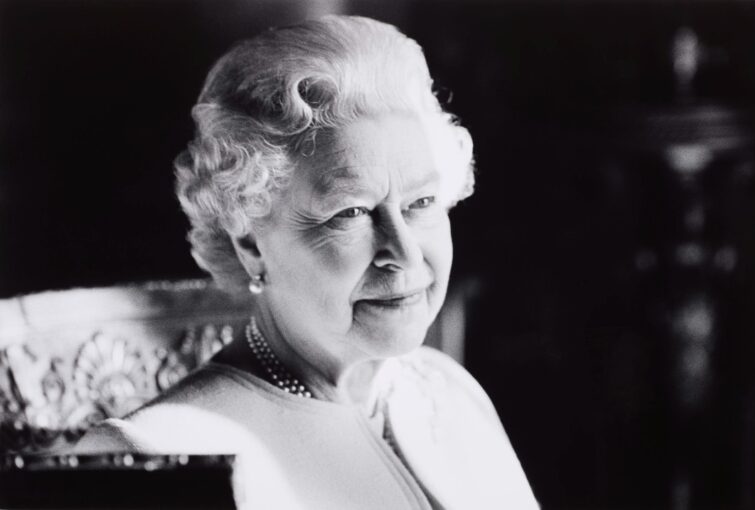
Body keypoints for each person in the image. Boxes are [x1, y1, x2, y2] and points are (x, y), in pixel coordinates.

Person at [75, 15, 538, 509]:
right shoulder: (160, 455)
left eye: (421, 203)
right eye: (351, 212)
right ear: (250, 244)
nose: (404, 253)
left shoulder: (449, 390)